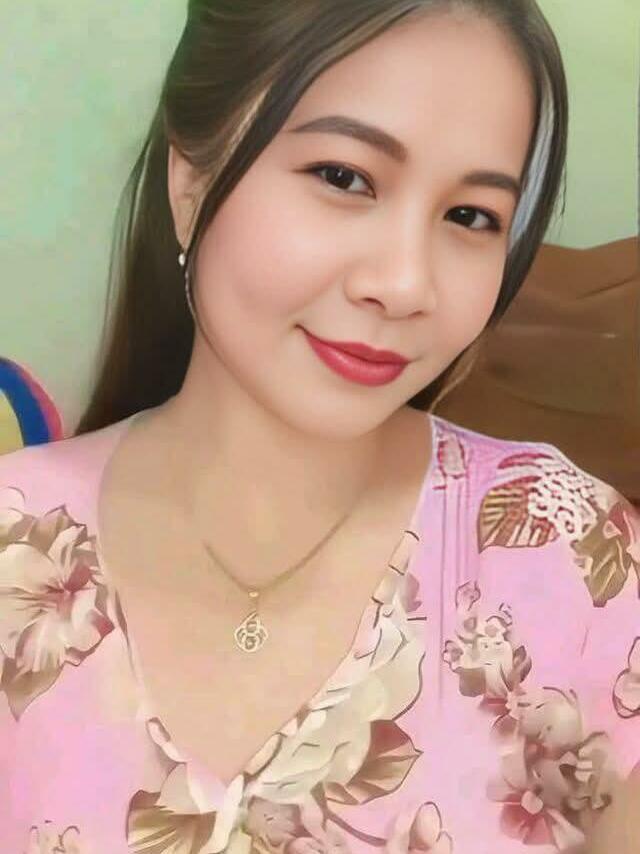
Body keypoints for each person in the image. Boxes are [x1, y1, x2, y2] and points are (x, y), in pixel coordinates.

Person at [0, 2, 638, 852]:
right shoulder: (16, 546)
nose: (405, 284)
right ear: (190, 185)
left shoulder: (573, 557)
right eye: (344, 177)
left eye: (470, 216)